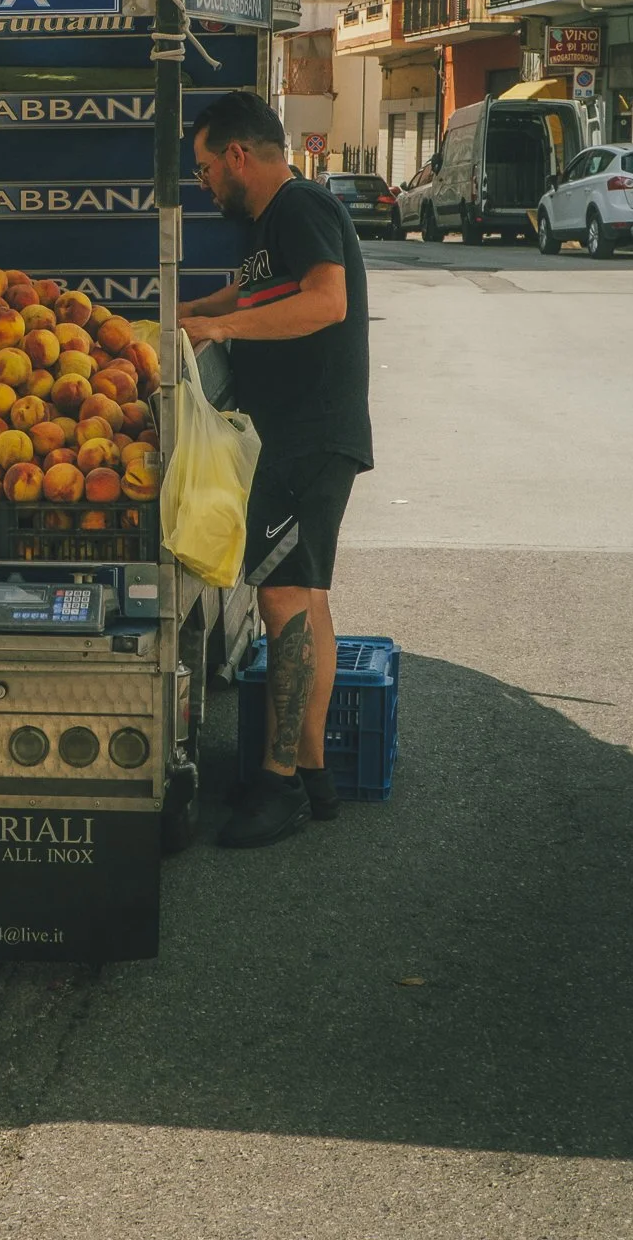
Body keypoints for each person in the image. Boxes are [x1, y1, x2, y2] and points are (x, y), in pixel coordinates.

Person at [179, 91, 372, 849]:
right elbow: (253, 291)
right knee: (303, 598)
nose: (202, 184)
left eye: (204, 169)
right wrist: (190, 313)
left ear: (237, 156)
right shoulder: (268, 228)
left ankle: (279, 784)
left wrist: (218, 326)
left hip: (307, 436)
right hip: (294, 437)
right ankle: (312, 777)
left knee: (284, 601)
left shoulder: (300, 205)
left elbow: (326, 302)